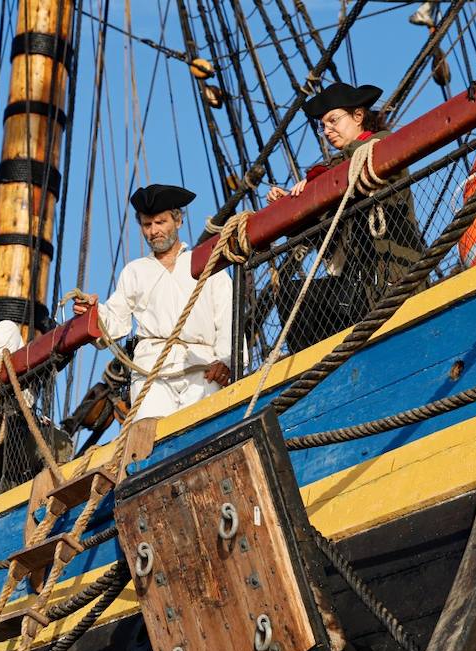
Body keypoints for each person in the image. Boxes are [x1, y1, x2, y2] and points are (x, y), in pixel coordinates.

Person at [265, 82, 424, 353]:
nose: (327, 131)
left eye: (333, 120)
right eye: (322, 126)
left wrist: (316, 179)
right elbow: (320, 232)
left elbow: (357, 160)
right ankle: (313, 367)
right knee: (294, 297)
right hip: (358, 287)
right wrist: (292, 208)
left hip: (396, 278)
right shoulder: (336, 175)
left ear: (358, 116)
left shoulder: (382, 143)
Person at [73, 183, 232, 421]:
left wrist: (226, 361)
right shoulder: (135, 272)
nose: (153, 231)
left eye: (160, 222)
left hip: (203, 369)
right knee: (149, 441)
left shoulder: (205, 262)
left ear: (178, 221)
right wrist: (92, 313)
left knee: (209, 431)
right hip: (152, 375)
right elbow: (115, 321)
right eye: (147, 225)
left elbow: (227, 317)